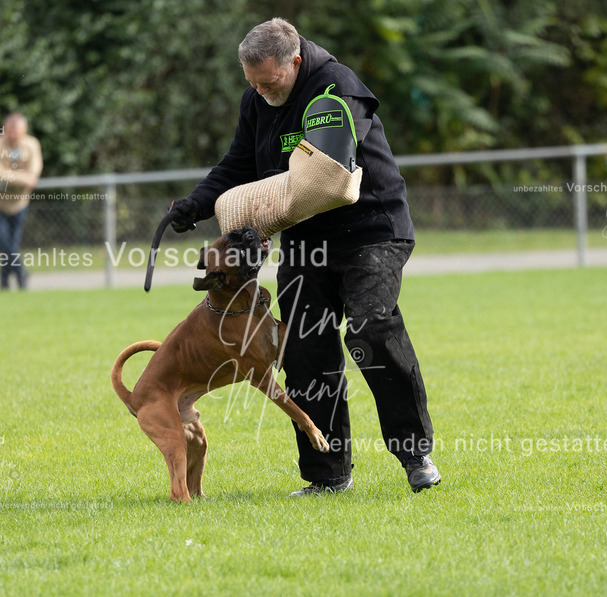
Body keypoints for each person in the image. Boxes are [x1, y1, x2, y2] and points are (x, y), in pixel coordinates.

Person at [164, 17, 439, 496]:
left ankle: (414, 452)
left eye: (267, 81)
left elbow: (328, 178)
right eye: (251, 82)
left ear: (294, 61)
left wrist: (256, 216)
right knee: (304, 348)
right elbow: (238, 165)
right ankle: (329, 475)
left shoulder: (335, 88)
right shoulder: (258, 99)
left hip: (370, 232)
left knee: (370, 327)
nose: (259, 90)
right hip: (308, 243)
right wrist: (198, 203)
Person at [0, 112, 42, 290]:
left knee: (12, 245)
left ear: (25, 130)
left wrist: (21, 177)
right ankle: (21, 272)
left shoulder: (32, 144)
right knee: (2, 241)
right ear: (4, 129)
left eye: (17, 130)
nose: (13, 133)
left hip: (19, 202)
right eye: (10, 129)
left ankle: (4, 283)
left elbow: (35, 169)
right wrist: (23, 179)